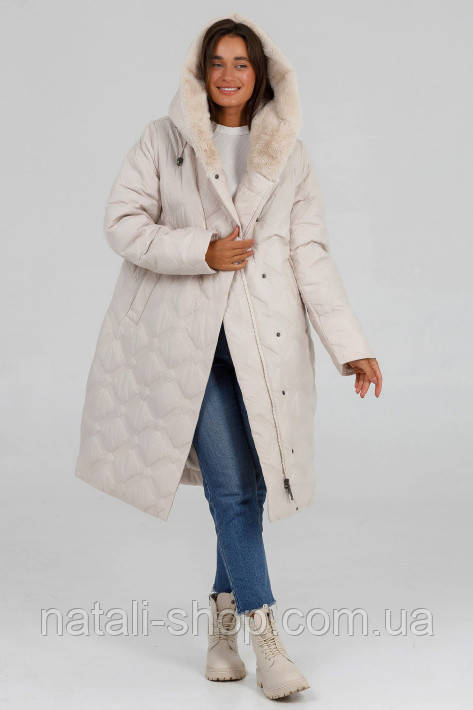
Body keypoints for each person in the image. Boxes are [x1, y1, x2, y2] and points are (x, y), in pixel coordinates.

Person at [74, 12, 382, 700]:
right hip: (184, 346)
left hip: (264, 348)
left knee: (250, 485)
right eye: (217, 62)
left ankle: (220, 628)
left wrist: (351, 346)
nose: (229, 75)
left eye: (242, 63)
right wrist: (201, 251)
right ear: (200, 70)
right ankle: (267, 642)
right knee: (234, 491)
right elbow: (121, 223)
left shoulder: (291, 155)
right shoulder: (162, 141)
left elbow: (309, 256)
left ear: (261, 73)